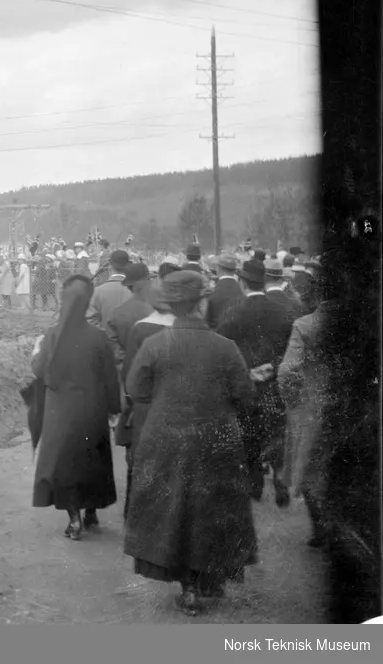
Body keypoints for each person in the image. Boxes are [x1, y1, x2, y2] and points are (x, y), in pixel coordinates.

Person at [123, 270, 258, 615]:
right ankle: (207, 578)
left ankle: (189, 588)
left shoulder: (154, 344)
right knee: (210, 510)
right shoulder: (224, 347)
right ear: (200, 303)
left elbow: (136, 390)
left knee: (176, 512)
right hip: (216, 439)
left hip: (166, 439)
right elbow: (245, 395)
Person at [23, 273, 120, 541]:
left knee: (64, 466)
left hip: (61, 413)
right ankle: (91, 513)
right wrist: (114, 407)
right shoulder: (99, 338)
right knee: (92, 462)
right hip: (92, 411)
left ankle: (74, 519)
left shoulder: (52, 336)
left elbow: (40, 370)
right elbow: (110, 377)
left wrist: (35, 352)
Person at [216, 258, 298, 506]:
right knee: (276, 432)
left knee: (249, 434)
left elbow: (222, 345)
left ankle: (254, 484)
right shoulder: (283, 311)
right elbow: (290, 347)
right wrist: (274, 366)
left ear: (242, 282)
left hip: (246, 381)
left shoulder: (234, 311)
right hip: (274, 380)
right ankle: (281, 482)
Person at [116, 263, 179, 519]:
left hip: (145, 406)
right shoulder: (183, 328)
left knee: (139, 458)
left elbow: (130, 374)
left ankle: (135, 510)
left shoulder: (141, 328)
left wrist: (130, 403)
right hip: (175, 405)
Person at [277, 281, 331, 548]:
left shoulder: (305, 325)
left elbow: (288, 371)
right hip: (358, 407)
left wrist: (292, 402)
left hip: (314, 406)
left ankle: (321, 529)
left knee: (311, 468)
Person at [87, 249, 132, 328]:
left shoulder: (98, 291)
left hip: (103, 338)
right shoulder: (135, 291)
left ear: (110, 265)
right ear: (128, 266)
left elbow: (91, 321)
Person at [206, 254, 244, 329]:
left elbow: (207, 321)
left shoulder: (212, 291)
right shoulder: (243, 290)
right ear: (234, 270)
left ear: (218, 268)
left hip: (217, 336)